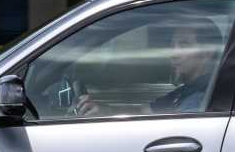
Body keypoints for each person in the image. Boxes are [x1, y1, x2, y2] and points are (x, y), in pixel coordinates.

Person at [71, 17, 222, 117]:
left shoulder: (200, 100)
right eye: (172, 45)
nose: (173, 54)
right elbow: (143, 111)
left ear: (208, 52)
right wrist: (103, 110)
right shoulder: (185, 92)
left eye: (184, 44)